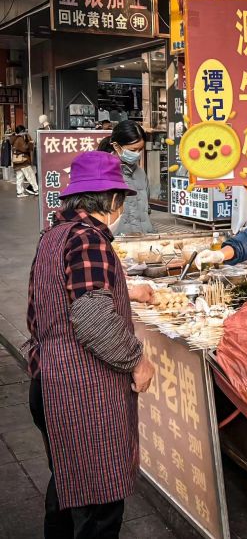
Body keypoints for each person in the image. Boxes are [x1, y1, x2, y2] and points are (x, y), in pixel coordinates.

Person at [26, 150, 155, 539]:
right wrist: (137, 361)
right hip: (82, 392)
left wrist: (126, 291)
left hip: (49, 381)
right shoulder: (89, 239)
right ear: (113, 201)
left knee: (68, 488)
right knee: (97, 504)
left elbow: (68, 297)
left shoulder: (55, 234)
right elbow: (91, 315)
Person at [98, 120, 155, 234]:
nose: (137, 154)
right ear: (116, 146)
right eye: (133, 150)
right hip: (115, 241)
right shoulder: (101, 172)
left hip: (142, 238)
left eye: (140, 150)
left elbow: (145, 208)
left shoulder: (140, 172)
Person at [11, 125, 39, 198]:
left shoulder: (13, 138)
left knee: (19, 177)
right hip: (23, 161)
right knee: (30, 175)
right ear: (21, 132)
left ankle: (20, 192)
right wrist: (31, 143)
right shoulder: (20, 139)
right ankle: (36, 190)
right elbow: (25, 148)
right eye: (24, 131)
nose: (25, 132)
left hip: (16, 161)